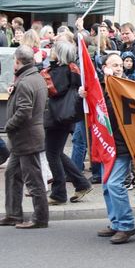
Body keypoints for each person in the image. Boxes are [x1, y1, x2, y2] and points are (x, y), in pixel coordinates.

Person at [88, 54, 135, 244]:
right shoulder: (99, 87)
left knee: (115, 184)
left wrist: (109, 83)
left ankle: (127, 225)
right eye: (114, 65)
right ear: (104, 67)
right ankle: (116, 222)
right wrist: (83, 96)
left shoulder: (125, 87)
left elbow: (117, 109)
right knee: (107, 186)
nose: (118, 68)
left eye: (120, 65)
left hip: (121, 145)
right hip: (105, 145)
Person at [0, 46, 49, 229]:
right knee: (12, 174)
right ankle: (13, 214)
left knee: (33, 179)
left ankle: (40, 218)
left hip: (26, 138)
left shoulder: (26, 81)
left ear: (18, 62)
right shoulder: (35, 78)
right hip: (25, 138)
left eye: (14, 60)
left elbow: (24, 112)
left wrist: (9, 125)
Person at [43, 42, 92, 205]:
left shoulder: (61, 71)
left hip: (58, 116)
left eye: (54, 50)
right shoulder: (71, 68)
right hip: (65, 116)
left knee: (52, 154)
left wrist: (41, 70)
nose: (51, 52)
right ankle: (81, 183)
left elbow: (53, 89)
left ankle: (59, 193)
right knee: (57, 152)